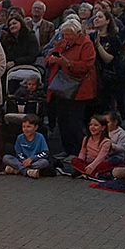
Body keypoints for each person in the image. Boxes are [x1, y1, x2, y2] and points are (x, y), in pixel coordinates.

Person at [45, 19, 97, 157]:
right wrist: (51, 60)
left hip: (78, 90)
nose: (67, 37)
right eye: (65, 35)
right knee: (62, 121)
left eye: (69, 35)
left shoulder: (86, 44)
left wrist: (67, 63)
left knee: (75, 123)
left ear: (78, 33)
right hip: (60, 88)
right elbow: (50, 54)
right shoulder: (63, 43)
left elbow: (86, 65)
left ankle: (79, 151)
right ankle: (66, 150)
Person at [89, 9, 123, 114]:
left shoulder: (113, 39)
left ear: (107, 21)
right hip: (91, 76)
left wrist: (98, 46)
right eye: (95, 17)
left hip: (105, 77)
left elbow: (108, 59)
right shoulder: (90, 36)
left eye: (100, 17)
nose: (96, 19)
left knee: (103, 106)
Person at [2, 114, 51, 178]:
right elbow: (18, 153)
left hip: (34, 161)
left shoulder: (40, 137)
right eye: (23, 127)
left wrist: (32, 159)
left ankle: (18, 169)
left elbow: (45, 152)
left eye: (28, 127)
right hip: (22, 161)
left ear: (35, 127)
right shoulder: (20, 137)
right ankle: (27, 171)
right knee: (6, 158)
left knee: (44, 162)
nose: (25, 129)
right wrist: (24, 161)